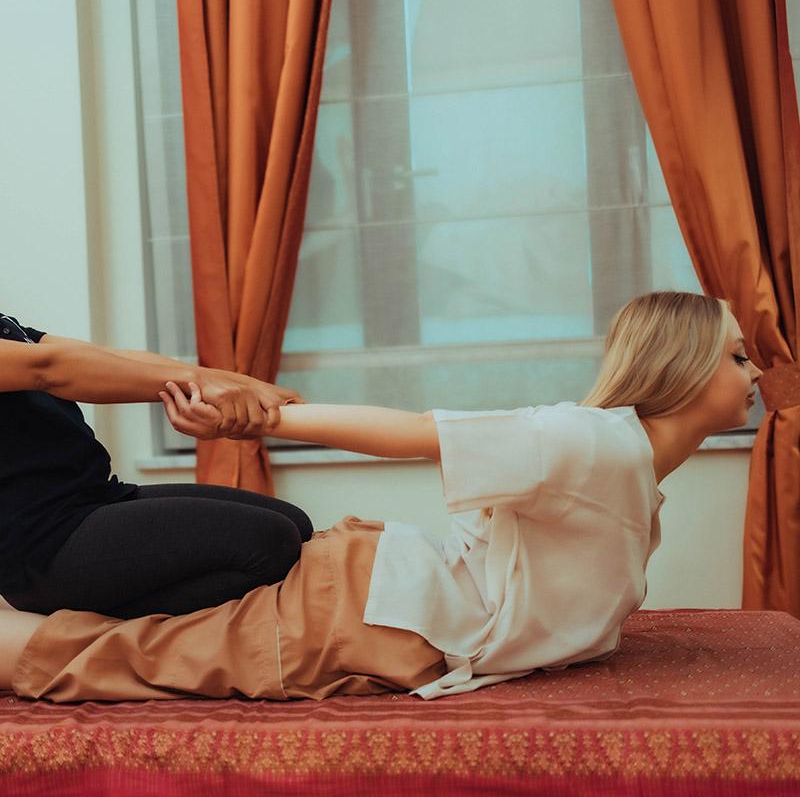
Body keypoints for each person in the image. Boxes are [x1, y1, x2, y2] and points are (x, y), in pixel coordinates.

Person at [0, 291, 763, 703]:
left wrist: (230, 384)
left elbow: (74, 354)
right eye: (737, 355)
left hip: (105, 500)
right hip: (43, 538)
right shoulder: (587, 441)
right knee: (224, 588)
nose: (760, 372)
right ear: (688, 368)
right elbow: (50, 371)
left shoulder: (616, 457)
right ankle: (31, 629)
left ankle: (100, 607)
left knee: (282, 526)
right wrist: (249, 404)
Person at [0, 311, 313, 619]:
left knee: (297, 525)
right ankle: (105, 627)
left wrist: (240, 384)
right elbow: (48, 369)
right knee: (270, 543)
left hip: (95, 499)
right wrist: (204, 383)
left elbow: (103, 356)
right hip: (42, 543)